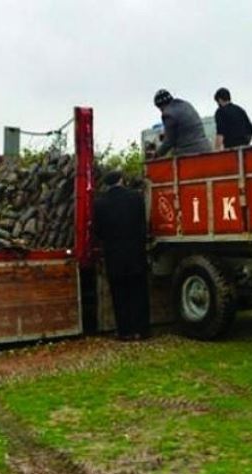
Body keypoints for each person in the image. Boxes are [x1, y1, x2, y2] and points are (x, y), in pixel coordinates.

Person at [93, 171, 150, 341]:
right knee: (138, 293)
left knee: (120, 295)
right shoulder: (136, 198)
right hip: (135, 253)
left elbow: (99, 232)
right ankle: (142, 330)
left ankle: (124, 331)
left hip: (114, 255)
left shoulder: (99, 204)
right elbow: (143, 224)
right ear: (121, 181)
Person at [153, 89, 211, 158]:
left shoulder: (168, 114)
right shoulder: (186, 105)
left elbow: (168, 142)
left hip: (188, 155)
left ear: (161, 106)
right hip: (206, 149)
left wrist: (156, 155)